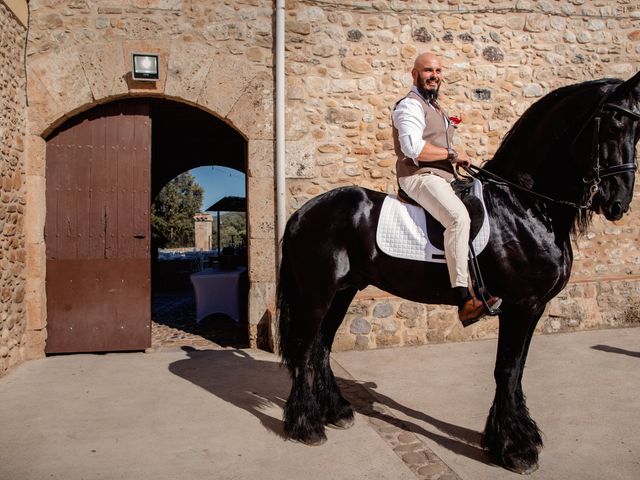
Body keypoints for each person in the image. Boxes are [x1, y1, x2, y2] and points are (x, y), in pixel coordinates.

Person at [392, 52, 501, 326]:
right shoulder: (409, 106)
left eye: (438, 70)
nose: (434, 75)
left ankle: (483, 281)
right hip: (418, 176)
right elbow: (413, 149)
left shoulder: (438, 108)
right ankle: (464, 299)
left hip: (442, 177)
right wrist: (452, 154)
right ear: (414, 73)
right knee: (457, 218)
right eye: (428, 70)